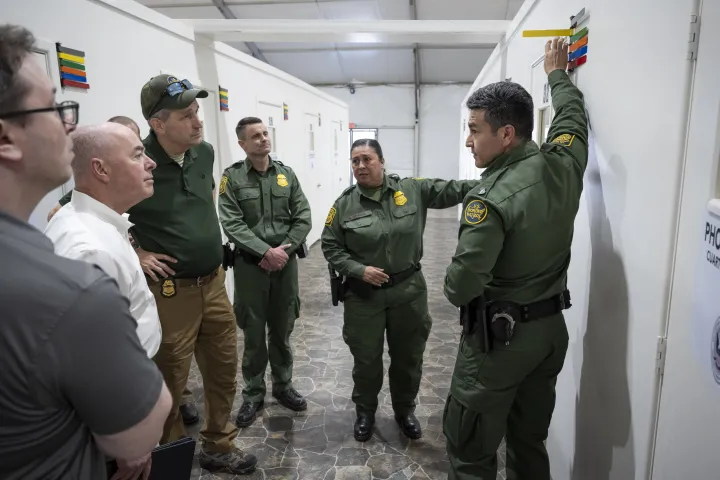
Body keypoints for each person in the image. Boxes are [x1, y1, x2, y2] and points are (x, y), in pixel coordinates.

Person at [0, 24, 171, 479]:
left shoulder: (49, 246)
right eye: (54, 108)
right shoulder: (77, 274)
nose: (68, 122)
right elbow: (134, 430)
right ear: (5, 139)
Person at [441, 38, 588, 480]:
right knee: (528, 443)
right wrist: (557, 75)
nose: (468, 141)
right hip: (547, 337)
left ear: (506, 134)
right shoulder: (563, 164)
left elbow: (460, 288)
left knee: (470, 451)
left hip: (499, 344)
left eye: (474, 129)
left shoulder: (489, 198)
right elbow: (572, 119)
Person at [320, 138, 480, 441]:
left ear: (382, 161)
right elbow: (330, 246)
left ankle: (405, 410)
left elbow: (456, 189)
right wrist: (358, 270)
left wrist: (498, 179)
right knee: (366, 359)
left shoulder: (412, 190)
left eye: (367, 159)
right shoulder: (344, 205)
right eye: (355, 161)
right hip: (364, 296)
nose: (361, 166)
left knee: (408, 357)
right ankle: (365, 412)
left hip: (408, 292)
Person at [49, 114, 201, 427]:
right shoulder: (92, 251)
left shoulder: (96, 224)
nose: (151, 163)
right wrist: (126, 437)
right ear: (100, 169)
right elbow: (92, 365)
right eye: (137, 155)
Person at [218, 117, 312, 427]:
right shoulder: (231, 178)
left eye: (265, 133)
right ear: (243, 144)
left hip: (284, 265)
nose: (263, 139)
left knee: (283, 329)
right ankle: (254, 393)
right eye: (255, 136)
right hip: (251, 267)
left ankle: (283, 386)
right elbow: (231, 222)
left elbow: (303, 216)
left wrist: (282, 251)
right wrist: (264, 251)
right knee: (254, 332)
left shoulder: (286, 175)